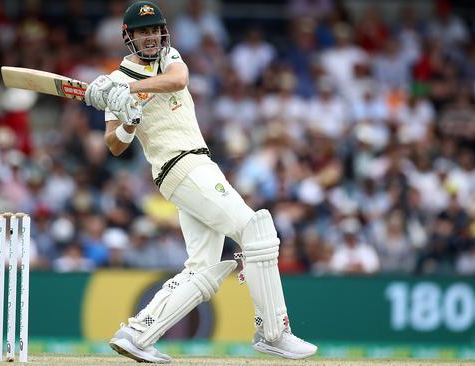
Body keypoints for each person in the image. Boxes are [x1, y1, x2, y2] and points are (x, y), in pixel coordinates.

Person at [83, 1, 317, 363]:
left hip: (193, 168)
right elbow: (114, 145)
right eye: (143, 31)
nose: (151, 37)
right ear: (129, 36)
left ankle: (138, 333)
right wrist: (128, 119)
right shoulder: (114, 83)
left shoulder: (165, 60)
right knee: (257, 231)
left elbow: (180, 80)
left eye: (155, 30)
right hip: (181, 166)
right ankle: (273, 332)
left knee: (202, 269)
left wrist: (130, 91)